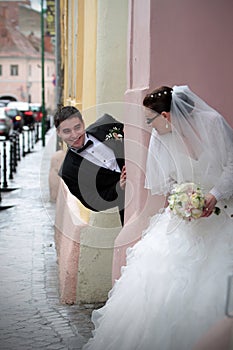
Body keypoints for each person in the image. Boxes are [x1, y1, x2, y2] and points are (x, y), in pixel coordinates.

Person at [82, 85, 233, 350]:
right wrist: (185, 201)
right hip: (186, 219)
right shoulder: (160, 137)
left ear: (166, 116)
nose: (149, 126)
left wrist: (215, 195)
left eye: (151, 119)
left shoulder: (212, 123)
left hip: (223, 214)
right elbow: (169, 181)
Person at [54, 106, 126, 225]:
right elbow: (94, 202)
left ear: (83, 123)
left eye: (77, 128)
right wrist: (119, 187)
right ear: (58, 133)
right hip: (127, 209)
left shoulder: (106, 123)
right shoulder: (68, 172)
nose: (74, 135)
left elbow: (135, 137)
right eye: (67, 131)